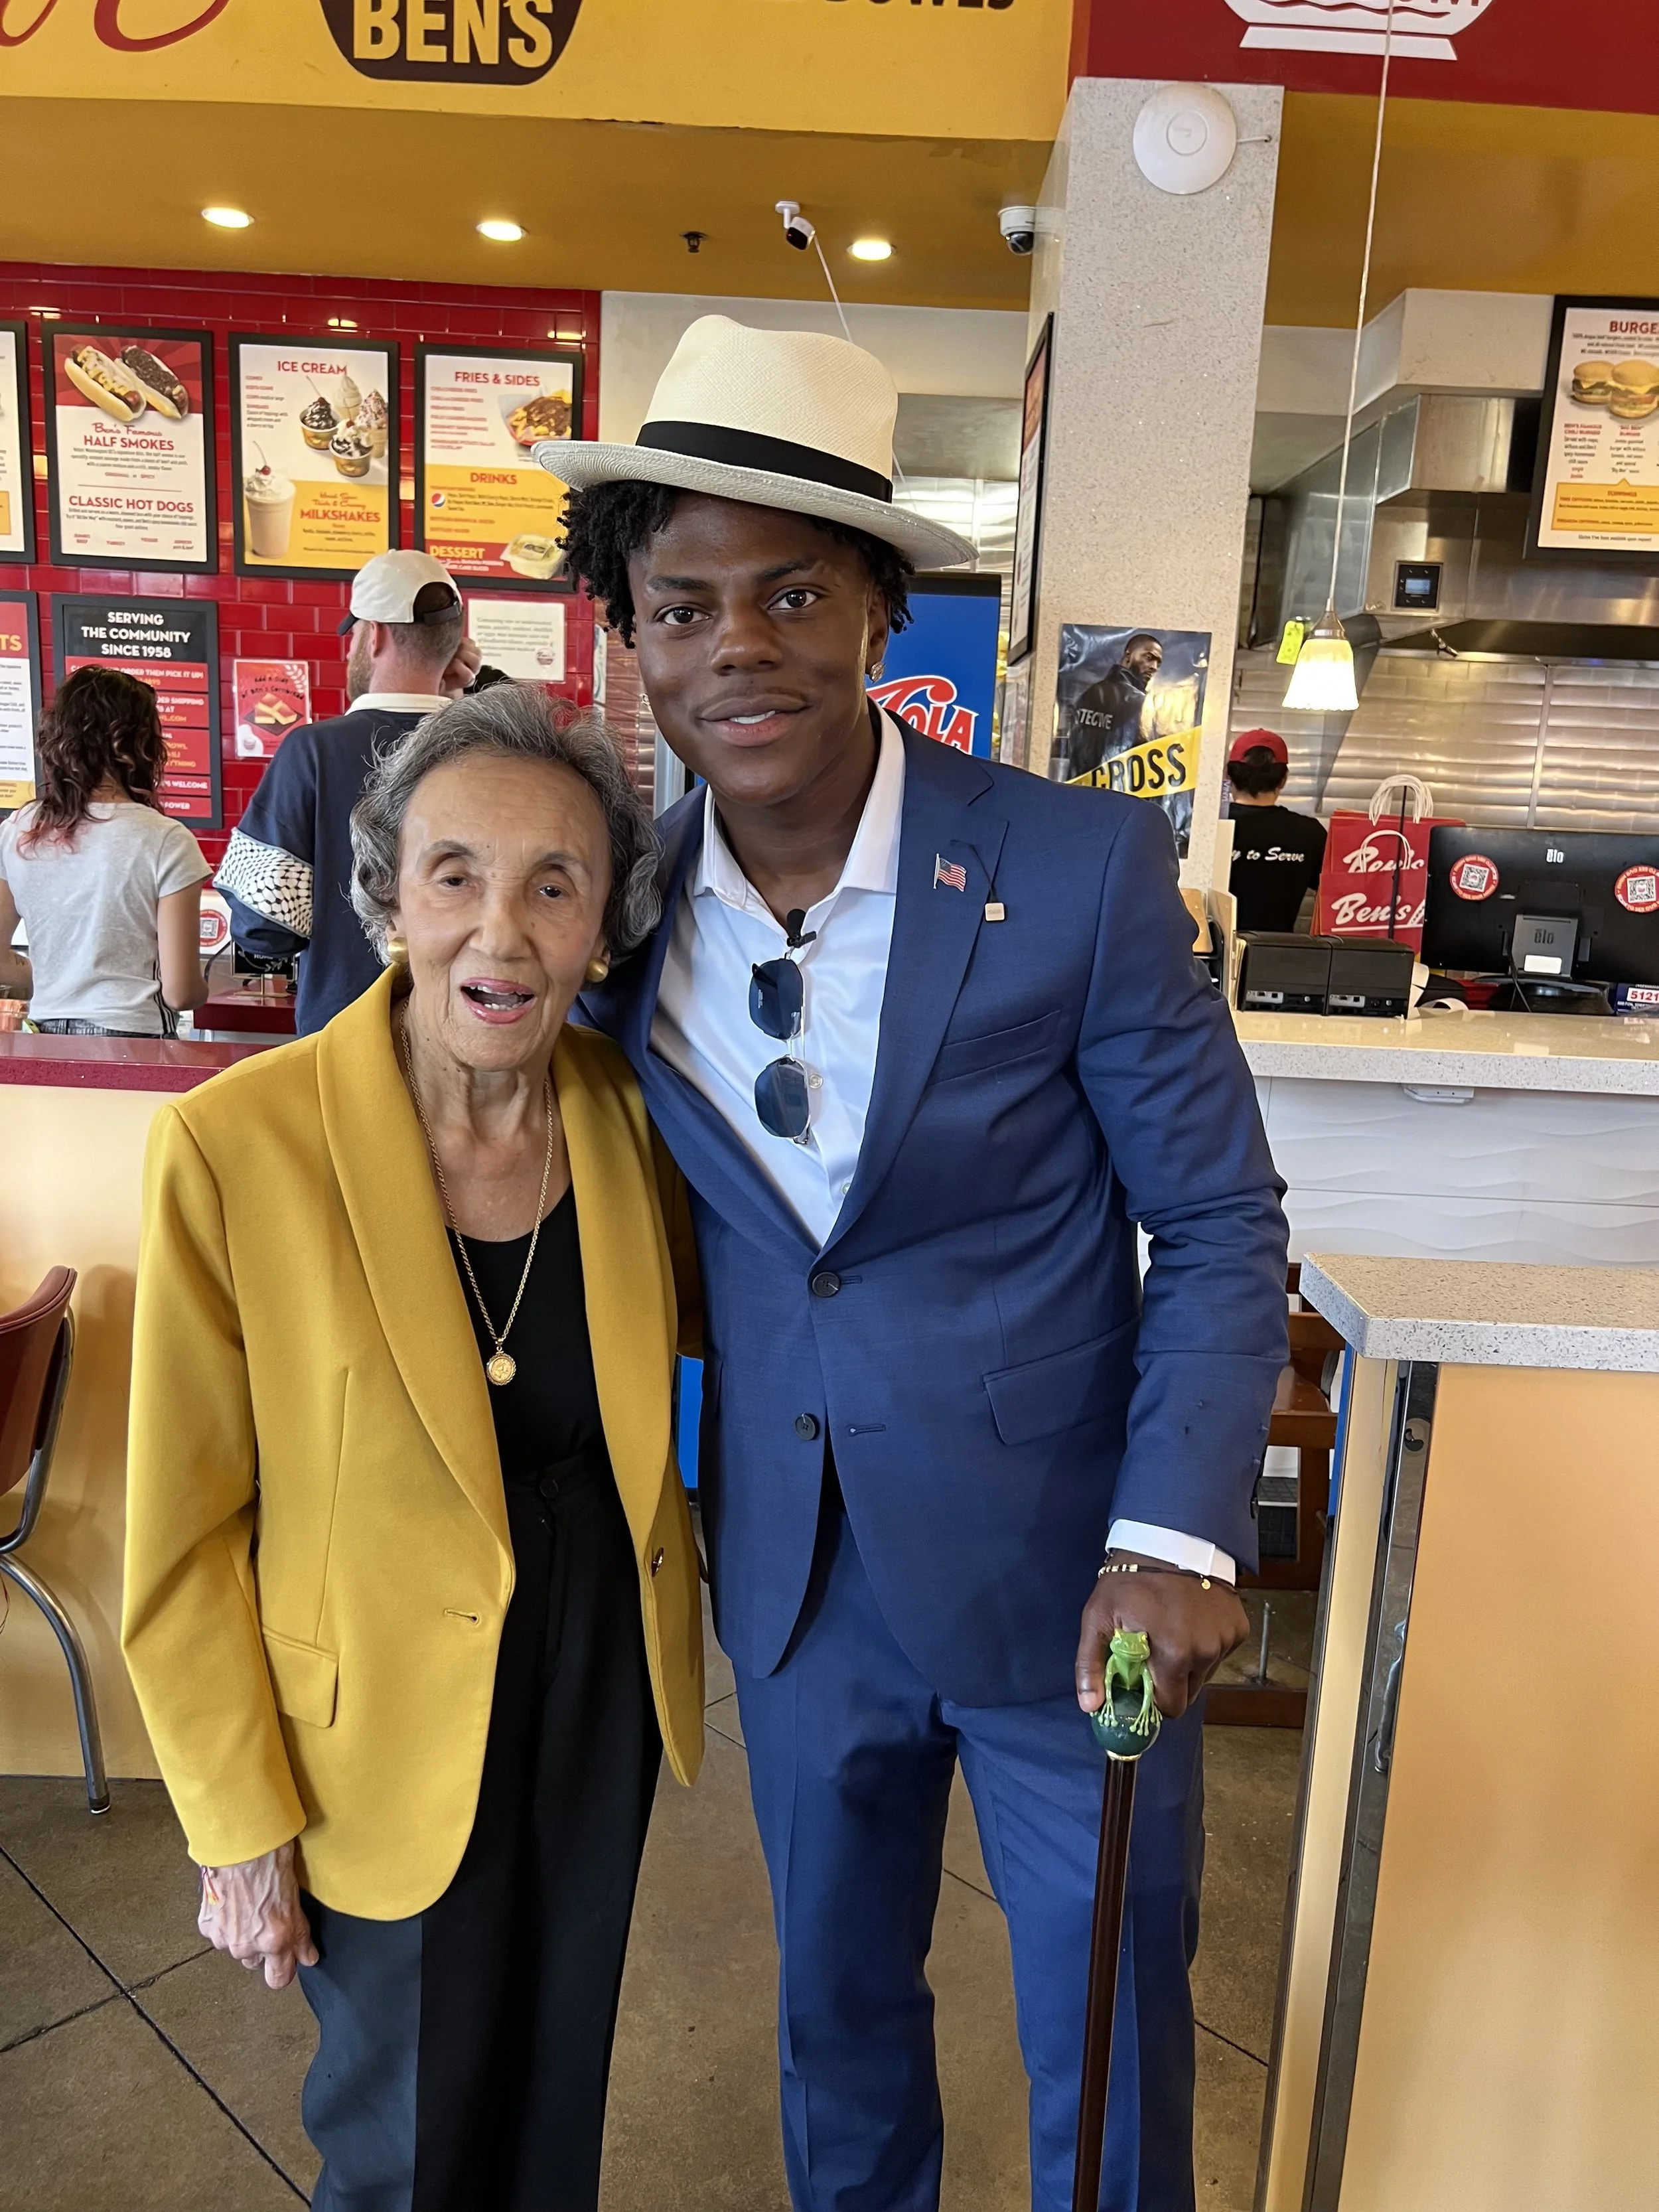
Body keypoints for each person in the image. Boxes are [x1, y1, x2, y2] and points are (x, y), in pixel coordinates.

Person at [555, 316, 1288, 2212]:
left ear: (879, 610)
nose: (737, 645)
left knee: (1108, 2045)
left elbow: (1218, 1219)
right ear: (631, 637)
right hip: (797, 1579)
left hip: (1072, 1583)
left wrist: (1177, 1536)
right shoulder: (619, 912)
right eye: (682, 606)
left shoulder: (1079, 869)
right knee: (835, 2024)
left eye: (791, 594)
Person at [123, 686, 703, 2212]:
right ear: (386, 899)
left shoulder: (626, 1119)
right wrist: (235, 1821)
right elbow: (181, 1535)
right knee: (406, 2149)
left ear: (602, 931)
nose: (498, 933)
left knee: (553, 2110)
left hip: (593, 1688)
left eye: (554, 886)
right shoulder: (237, 1146)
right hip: (370, 1715)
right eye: (455, 875)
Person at [215, 549, 481, 1035]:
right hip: (465, 1035)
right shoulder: (490, 751)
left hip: (342, 1040)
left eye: (354, 635)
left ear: (374, 635)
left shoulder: (313, 752)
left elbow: (262, 930)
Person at [0, 666, 210, 1035]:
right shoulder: (166, 839)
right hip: (136, 1039)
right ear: (141, 746)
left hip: (47, 1039)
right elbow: (181, 993)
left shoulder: (20, 829)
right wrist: (205, 990)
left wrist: (55, 978)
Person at [1226, 729, 1327, 934]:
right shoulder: (1310, 834)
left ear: (1229, 775)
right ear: (1283, 779)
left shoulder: (1205, 829)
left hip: (1208, 950)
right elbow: (1333, 899)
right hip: (1278, 951)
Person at [1067, 630, 1164, 778]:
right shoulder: (1141, 702)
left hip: (1079, 786)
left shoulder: (1089, 693)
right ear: (1128, 656)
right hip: (1116, 788)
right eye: (1149, 658)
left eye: (1158, 663)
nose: (1154, 667)